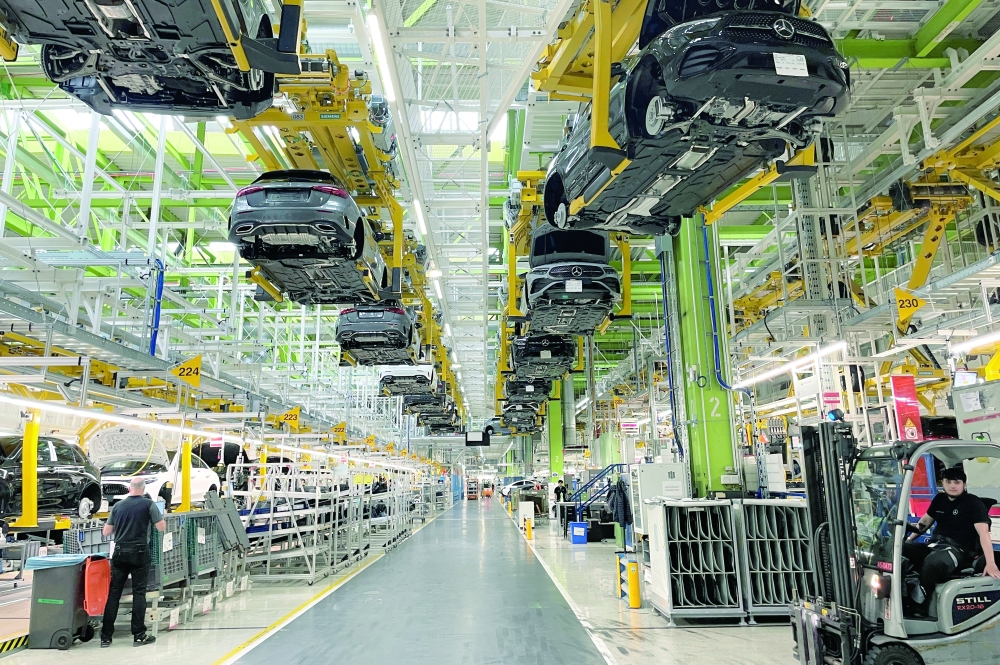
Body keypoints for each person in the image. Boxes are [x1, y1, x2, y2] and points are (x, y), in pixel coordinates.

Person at [904, 466, 1000, 616]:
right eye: (948, 482)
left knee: (933, 563)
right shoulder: (940, 499)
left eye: (957, 482)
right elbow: (924, 523)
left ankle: (919, 604)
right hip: (934, 544)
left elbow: (984, 534)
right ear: (943, 483)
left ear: (964, 484)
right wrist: (908, 542)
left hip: (958, 550)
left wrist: (991, 563)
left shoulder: (973, 503)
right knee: (898, 550)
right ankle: (901, 596)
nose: (952, 486)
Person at [101, 477, 166, 647]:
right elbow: (161, 527)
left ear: (129, 489)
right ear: (143, 489)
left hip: (120, 552)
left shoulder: (118, 506)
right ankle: (139, 635)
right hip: (139, 553)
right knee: (139, 593)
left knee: (114, 593)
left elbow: (106, 531)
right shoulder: (148, 505)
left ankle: (106, 637)